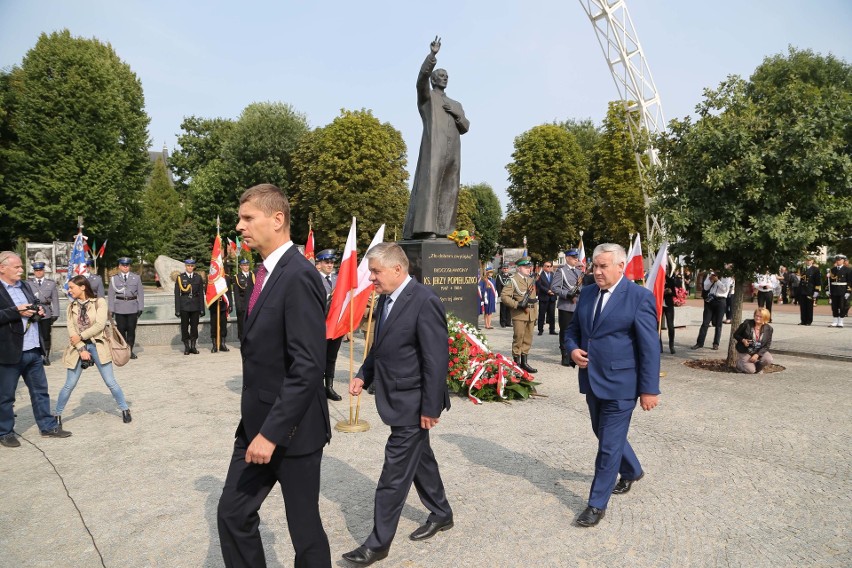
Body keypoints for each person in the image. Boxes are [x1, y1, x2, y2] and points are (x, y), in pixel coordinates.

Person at [217, 183, 331, 568]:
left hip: (291, 431)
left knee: (304, 530)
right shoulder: (265, 273)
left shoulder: (298, 275)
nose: (239, 226)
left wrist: (271, 433)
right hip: (257, 424)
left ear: (277, 219)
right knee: (233, 514)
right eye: (240, 218)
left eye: (248, 218)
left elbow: (308, 366)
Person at [343, 242, 453, 567]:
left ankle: (377, 544)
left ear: (397, 269)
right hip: (396, 396)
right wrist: (364, 374)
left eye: (375, 272)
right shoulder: (386, 299)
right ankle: (442, 512)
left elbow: (436, 360)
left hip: (413, 402)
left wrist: (430, 408)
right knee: (421, 460)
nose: (371, 278)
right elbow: (380, 346)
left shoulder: (424, 301)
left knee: (393, 473)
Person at [564, 243, 660, 527]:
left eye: (603, 266)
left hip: (622, 384)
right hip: (592, 380)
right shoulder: (589, 292)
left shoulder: (639, 298)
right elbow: (573, 330)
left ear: (621, 266)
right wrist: (571, 349)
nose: (597, 271)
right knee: (602, 432)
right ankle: (632, 470)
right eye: (594, 266)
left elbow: (650, 348)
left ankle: (596, 505)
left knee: (607, 445)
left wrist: (649, 389)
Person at [0, 251, 72, 447]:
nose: (22, 270)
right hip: (9, 352)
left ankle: (47, 426)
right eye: (17, 267)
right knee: (5, 396)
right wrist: (16, 312)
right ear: (2, 268)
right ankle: (5, 432)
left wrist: (38, 310)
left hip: (32, 348)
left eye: (21, 266)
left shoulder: (24, 285)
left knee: (41, 391)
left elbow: (33, 305)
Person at [403, 37, 470, 240]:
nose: (444, 77)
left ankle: (446, 228)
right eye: (441, 75)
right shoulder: (427, 98)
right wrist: (432, 57)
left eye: (446, 75)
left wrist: (456, 114)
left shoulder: (455, 103)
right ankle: (427, 229)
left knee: (451, 187)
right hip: (434, 148)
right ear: (433, 79)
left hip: (453, 151)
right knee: (430, 186)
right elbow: (420, 80)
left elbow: (465, 126)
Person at [56, 275, 131, 424]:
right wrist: (81, 347)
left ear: (82, 287)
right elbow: (71, 330)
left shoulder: (99, 302)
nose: (69, 290)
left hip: (99, 345)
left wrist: (81, 336)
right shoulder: (71, 306)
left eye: (72, 287)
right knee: (69, 385)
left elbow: (99, 325)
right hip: (78, 348)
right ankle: (57, 415)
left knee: (110, 382)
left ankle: (124, 409)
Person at [500, 257, 539, 373]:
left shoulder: (530, 280)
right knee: (518, 338)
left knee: (528, 339)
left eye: (529, 267)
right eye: (526, 267)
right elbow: (504, 296)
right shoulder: (513, 280)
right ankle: (516, 364)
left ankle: (524, 362)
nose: (529, 269)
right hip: (519, 314)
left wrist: (535, 315)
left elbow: (534, 300)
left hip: (531, 314)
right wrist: (517, 304)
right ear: (519, 268)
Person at [316, 248, 343, 401]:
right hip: (320, 326)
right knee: (319, 357)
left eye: (332, 262)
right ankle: (318, 387)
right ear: (318, 264)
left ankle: (329, 387)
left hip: (336, 326)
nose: (330, 264)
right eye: (327, 262)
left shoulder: (339, 279)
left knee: (331, 357)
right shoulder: (313, 279)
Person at [108, 257, 144, 360]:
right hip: (119, 308)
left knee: (131, 330)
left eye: (127, 265)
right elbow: (111, 295)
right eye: (123, 265)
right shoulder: (114, 279)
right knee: (121, 330)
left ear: (129, 266)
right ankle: (123, 351)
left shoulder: (136, 278)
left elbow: (141, 294)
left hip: (132, 307)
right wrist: (111, 309)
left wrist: (140, 307)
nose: (125, 267)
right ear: (119, 266)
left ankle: (130, 351)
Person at [552, 249, 583, 366]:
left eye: (577, 257)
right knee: (565, 331)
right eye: (574, 257)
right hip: (566, 306)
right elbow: (554, 288)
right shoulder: (561, 271)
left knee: (578, 330)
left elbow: (582, 287)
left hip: (578, 305)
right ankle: (565, 354)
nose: (576, 259)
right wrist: (567, 294)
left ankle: (574, 353)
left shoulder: (579, 272)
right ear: (567, 258)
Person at [27, 262, 59, 366]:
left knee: (46, 335)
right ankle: (35, 356)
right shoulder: (28, 283)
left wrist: (56, 313)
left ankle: (46, 356)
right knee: (33, 334)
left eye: (40, 270)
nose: (38, 272)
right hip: (33, 311)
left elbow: (55, 299)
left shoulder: (51, 283)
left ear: (43, 271)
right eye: (36, 270)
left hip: (46, 312)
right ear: (34, 272)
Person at [692, 270, 730, 351]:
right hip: (710, 300)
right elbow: (705, 287)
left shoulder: (727, 277)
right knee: (705, 323)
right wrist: (711, 280)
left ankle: (716, 343)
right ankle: (699, 343)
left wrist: (717, 281)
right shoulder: (711, 274)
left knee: (718, 324)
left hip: (721, 300)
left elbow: (725, 289)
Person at [175, 259, 205, 355]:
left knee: (194, 327)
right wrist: (177, 309)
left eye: (192, 266)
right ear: (185, 266)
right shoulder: (180, 277)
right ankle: (187, 347)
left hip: (195, 306)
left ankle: (193, 346)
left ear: (194, 267)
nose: (190, 268)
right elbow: (177, 294)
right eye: (188, 266)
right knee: (184, 327)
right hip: (184, 306)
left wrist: (202, 308)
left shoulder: (198, 277)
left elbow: (201, 294)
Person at [733, 307, 774, 374]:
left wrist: (757, 354)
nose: (757, 318)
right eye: (756, 316)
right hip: (745, 350)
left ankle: (757, 368)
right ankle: (739, 364)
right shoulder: (747, 324)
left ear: (765, 318)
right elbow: (736, 335)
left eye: (760, 317)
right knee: (750, 371)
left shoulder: (769, 329)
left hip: (758, 350)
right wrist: (743, 340)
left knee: (768, 359)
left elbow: (767, 345)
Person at [209, 270, 233, 353]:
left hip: (223, 305)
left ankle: (222, 344)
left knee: (223, 325)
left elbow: (229, 292)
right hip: (214, 305)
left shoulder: (226, 277)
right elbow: (207, 291)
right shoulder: (211, 277)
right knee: (214, 326)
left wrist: (230, 305)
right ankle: (215, 345)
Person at [233, 258, 254, 341]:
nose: (246, 267)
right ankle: (242, 340)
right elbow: (236, 293)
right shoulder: (237, 277)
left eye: (247, 265)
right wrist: (238, 306)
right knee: (242, 324)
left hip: (252, 304)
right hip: (242, 304)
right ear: (240, 266)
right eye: (244, 265)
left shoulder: (252, 276)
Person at [662, 272, 684, 354]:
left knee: (670, 326)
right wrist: (662, 292)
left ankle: (671, 345)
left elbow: (674, 293)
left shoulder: (670, 280)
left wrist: (670, 291)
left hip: (668, 305)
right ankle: (659, 345)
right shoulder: (657, 279)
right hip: (659, 305)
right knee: (657, 326)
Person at [827, 254, 851, 328]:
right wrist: (827, 290)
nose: (838, 261)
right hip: (834, 290)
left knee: (842, 306)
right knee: (834, 306)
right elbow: (828, 281)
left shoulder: (848, 270)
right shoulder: (833, 270)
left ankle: (840, 321)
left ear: (843, 261)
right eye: (837, 260)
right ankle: (835, 321)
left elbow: (850, 281)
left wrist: (848, 291)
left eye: (839, 260)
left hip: (842, 290)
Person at [535, 260, 557, 336]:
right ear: (544, 267)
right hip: (544, 297)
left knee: (552, 315)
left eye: (550, 266)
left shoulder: (553, 274)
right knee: (541, 314)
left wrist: (554, 291)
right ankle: (540, 330)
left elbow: (556, 284)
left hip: (552, 297)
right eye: (547, 266)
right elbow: (539, 285)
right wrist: (547, 291)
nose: (549, 268)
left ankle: (552, 330)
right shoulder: (540, 275)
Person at [798, 256, 821, 325]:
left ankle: (809, 321)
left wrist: (816, 291)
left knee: (809, 306)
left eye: (809, 260)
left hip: (810, 290)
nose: (808, 261)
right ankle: (803, 320)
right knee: (802, 306)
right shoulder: (802, 269)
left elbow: (818, 281)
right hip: (802, 289)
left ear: (812, 261)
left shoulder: (815, 269)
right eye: (807, 260)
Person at [495, 263, 512, 327]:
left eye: (507, 268)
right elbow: (498, 286)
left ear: (508, 269)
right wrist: (499, 295)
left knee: (509, 309)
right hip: (503, 295)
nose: (505, 269)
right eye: (504, 268)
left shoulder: (510, 276)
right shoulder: (499, 276)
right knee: (503, 309)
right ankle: (503, 322)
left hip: (509, 295)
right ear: (502, 269)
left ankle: (508, 322)